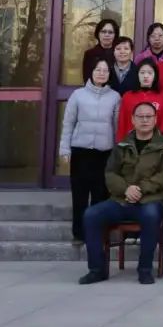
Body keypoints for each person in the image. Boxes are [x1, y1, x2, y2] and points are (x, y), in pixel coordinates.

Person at [79, 102, 163, 285]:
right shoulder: (122, 145)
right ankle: (97, 269)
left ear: (155, 119)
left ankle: (145, 270)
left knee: (151, 216)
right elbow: (110, 173)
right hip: (121, 200)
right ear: (133, 119)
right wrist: (126, 189)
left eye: (149, 116)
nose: (145, 120)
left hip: (150, 199)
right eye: (140, 116)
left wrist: (141, 189)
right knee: (91, 214)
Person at [60, 57, 121, 244]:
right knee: (79, 195)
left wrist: (118, 153)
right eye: (98, 70)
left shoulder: (115, 97)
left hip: (104, 153)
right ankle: (79, 234)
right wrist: (64, 149)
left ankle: (98, 234)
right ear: (91, 72)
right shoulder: (78, 95)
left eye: (105, 70)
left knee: (100, 195)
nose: (101, 73)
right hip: (81, 151)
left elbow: (117, 127)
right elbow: (68, 123)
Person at [116, 59, 163, 140]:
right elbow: (122, 123)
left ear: (155, 76)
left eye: (150, 73)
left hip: (154, 143)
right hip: (131, 142)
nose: (145, 76)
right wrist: (120, 142)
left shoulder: (162, 96)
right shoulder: (127, 96)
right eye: (142, 73)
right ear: (137, 75)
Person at [82, 18, 119, 84]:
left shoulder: (120, 54)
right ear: (98, 34)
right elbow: (87, 79)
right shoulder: (90, 54)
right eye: (103, 31)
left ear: (115, 35)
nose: (107, 35)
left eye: (110, 32)